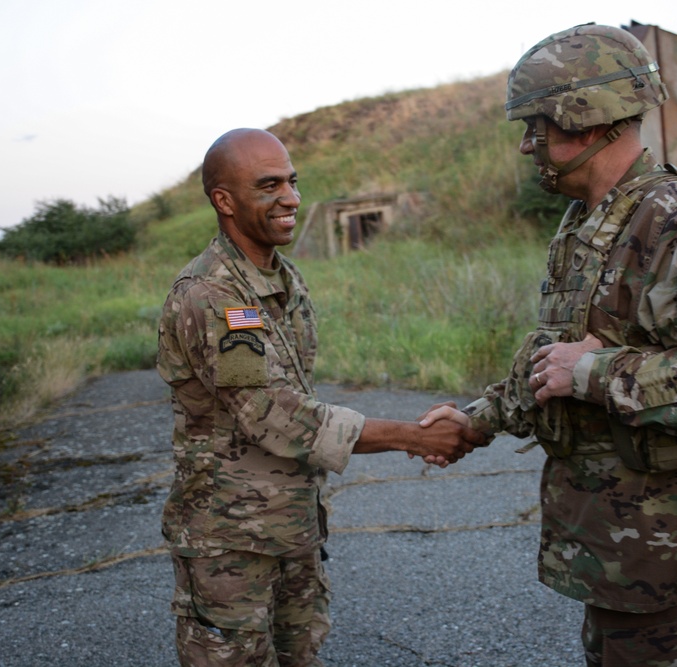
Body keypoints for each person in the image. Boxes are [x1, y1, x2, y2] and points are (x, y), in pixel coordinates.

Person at [422, 23, 677, 666]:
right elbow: (558, 358)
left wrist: (598, 374)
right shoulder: (590, 222)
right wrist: (478, 418)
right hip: (622, 551)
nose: (525, 146)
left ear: (585, 120)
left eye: (535, 127)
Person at [156, 128, 484, 667]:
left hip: (294, 525)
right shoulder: (214, 295)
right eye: (268, 186)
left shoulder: (283, 281)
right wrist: (412, 436)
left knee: (301, 654)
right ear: (224, 201)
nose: (290, 198)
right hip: (231, 543)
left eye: (291, 181)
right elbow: (271, 414)